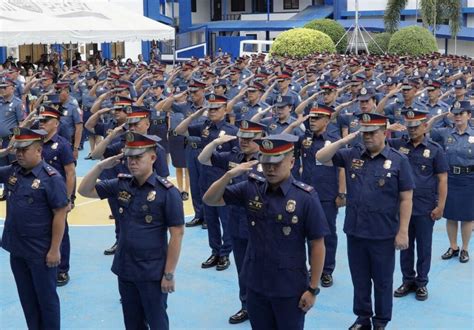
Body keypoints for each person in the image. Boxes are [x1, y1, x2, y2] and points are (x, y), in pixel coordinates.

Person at [203, 133, 329, 330]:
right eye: (266, 162)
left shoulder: (306, 197)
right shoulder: (251, 188)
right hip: (256, 284)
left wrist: (312, 289)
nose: (270, 168)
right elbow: (210, 199)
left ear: (292, 162)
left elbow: (317, 244)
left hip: (289, 288)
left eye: (277, 163)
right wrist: (228, 176)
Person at [316, 112, 415, 330]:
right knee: (360, 280)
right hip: (355, 231)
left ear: (384, 132)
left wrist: (403, 231)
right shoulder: (352, 154)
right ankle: (362, 318)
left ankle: (381, 321)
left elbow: (406, 197)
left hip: (383, 233)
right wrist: (343, 140)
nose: (367, 137)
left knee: (382, 281)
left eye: (372, 132)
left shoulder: (399, 160)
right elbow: (320, 157)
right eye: (364, 133)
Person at [78, 132, 184, 330]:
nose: (132, 162)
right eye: (129, 157)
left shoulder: (168, 193)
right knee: (132, 323)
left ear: (152, 158)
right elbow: (84, 191)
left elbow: (177, 234)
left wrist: (169, 274)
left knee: (157, 322)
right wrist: (101, 166)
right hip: (125, 268)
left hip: (152, 272)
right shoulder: (121, 184)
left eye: (137, 157)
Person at [198, 120, 266, 324]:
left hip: (262, 226)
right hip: (237, 223)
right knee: (242, 269)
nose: (243, 141)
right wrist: (216, 142)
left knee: (263, 269)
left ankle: (264, 307)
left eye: (249, 137)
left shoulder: (268, 160)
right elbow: (203, 159)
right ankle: (246, 306)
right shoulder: (234, 156)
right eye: (241, 137)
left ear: (260, 138)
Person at [0, 127, 68, 330]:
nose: (19, 154)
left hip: (40, 251)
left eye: (24, 150)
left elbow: (60, 213)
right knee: (27, 300)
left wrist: (55, 249)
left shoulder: (52, 178)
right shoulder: (14, 171)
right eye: (17, 150)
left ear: (38, 150)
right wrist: (3, 153)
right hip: (17, 249)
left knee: (46, 301)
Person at [388, 109, 448, 301]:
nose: (412, 130)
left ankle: (422, 282)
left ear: (425, 126)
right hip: (402, 207)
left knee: (424, 247)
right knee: (404, 245)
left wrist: (441, 206)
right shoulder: (398, 144)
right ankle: (408, 280)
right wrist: (388, 127)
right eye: (409, 126)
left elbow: (442, 179)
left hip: (424, 207)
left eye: (416, 126)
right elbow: (376, 140)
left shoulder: (435, 149)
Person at [284, 104, 345, 288]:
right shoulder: (304, 139)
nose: (312, 121)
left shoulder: (334, 140)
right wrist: (294, 124)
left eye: (317, 118)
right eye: (311, 118)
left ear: (327, 120)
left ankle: (326, 270)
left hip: (327, 193)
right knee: (305, 232)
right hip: (305, 193)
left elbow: (342, 167)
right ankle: (312, 267)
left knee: (327, 233)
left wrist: (342, 192)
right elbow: (285, 139)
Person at [176, 93, 238, 270]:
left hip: (223, 183)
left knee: (226, 220)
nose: (212, 112)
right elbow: (180, 130)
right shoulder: (204, 126)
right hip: (205, 179)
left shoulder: (232, 131)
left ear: (225, 109)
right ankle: (215, 251)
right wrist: (196, 115)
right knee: (210, 220)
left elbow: (236, 158)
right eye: (210, 108)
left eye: (216, 108)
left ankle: (225, 253)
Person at [36, 105, 77, 286]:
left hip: (57, 196)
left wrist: (67, 199)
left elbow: (70, 173)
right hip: (40, 195)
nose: (42, 123)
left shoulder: (62, 145)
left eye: (46, 121)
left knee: (61, 232)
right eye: (41, 120)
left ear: (56, 124)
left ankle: (62, 269)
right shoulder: (36, 143)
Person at [429, 101, 474, 263]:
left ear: (469, 115)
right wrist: (440, 116)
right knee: (451, 215)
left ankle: (465, 248)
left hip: (469, 179)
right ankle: (453, 246)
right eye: (455, 113)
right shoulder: (445, 133)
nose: (457, 117)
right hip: (450, 179)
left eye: (461, 113)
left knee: (468, 216)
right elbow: (425, 129)